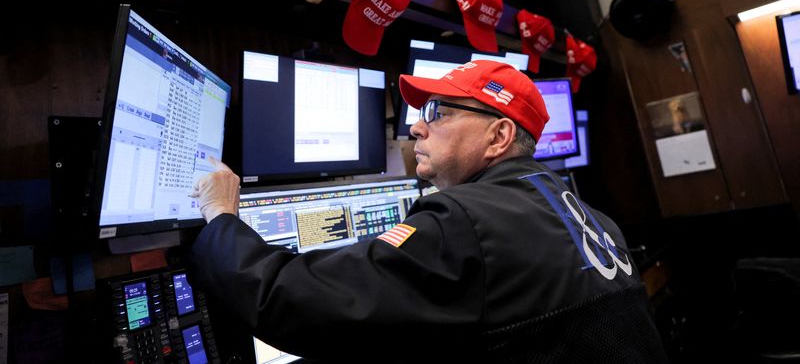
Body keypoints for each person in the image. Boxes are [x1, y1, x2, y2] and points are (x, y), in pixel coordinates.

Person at [189, 60, 668, 363]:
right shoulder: (589, 215)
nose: (417, 127)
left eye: (438, 111)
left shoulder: (463, 220)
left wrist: (222, 217)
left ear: (499, 137)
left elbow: (285, 301)